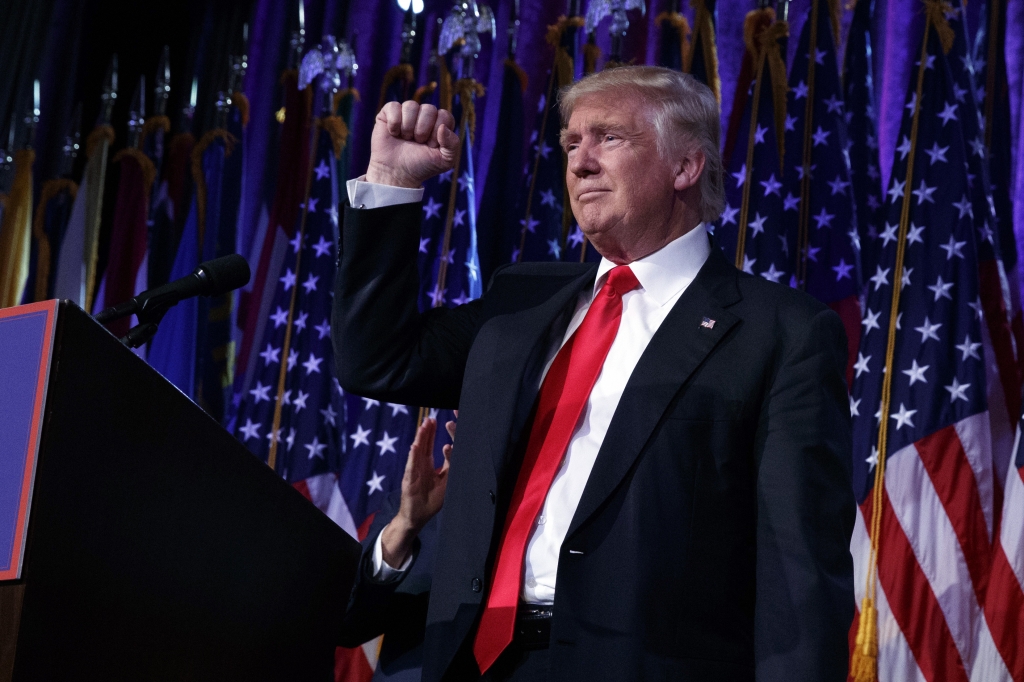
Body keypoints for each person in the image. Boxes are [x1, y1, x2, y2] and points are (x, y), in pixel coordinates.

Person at [333, 66, 855, 682]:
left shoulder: (780, 332)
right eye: (570, 143)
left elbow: (799, 575)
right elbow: (377, 360)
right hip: (472, 663)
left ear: (685, 167)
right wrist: (391, 184)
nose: (580, 162)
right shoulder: (520, 304)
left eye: (609, 138)